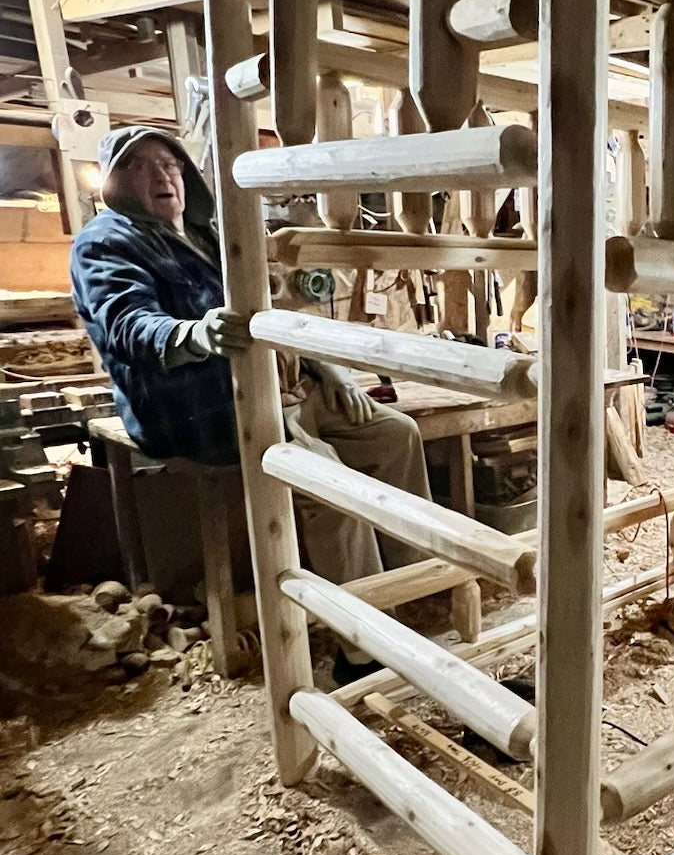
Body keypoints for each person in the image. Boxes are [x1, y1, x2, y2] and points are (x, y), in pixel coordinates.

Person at [70, 125, 430, 681]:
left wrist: (324, 366)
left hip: (273, 388)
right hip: (199, 410)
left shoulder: (209, 236)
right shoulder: (104, 243)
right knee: (329, 485)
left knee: (394, 433)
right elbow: (125, 323)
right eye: (139, 166)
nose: (161, 175)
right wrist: (193, 336)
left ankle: (414, 585)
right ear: (114, 183)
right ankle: (362, 646)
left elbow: (269, 311)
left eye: (168, 164)